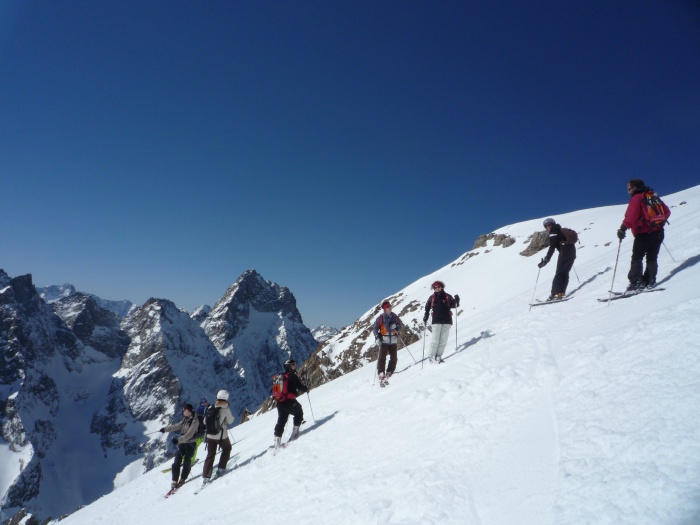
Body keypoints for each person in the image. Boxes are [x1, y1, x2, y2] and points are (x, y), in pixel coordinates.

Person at [617, 179, 670, 291]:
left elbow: (631, 216)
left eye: (629, 189)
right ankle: (649, 280)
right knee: (652, 257)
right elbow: (667, 212)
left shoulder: (637, 198)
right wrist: (658, 221)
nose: (628, 192)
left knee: (637, 257)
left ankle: (635, 283)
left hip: (644, 233)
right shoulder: (652, 196)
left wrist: (623, 228)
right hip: (659, 232)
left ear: (635, 187)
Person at [160, 403, 200, 490]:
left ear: (188, 410)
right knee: (177, 460)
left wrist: (178, 440)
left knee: (186, 461)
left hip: (190, 443)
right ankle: (174, 481)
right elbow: (177, 426)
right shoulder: (185, 420)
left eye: (184, 411)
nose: (183, 412)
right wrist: (165, 429)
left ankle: (183, 479)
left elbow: (189, 434)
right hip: (182, 443)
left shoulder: (195, 421)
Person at [538, 218, 577, 300]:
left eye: (549, 225)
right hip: (572, 252)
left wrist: (546, 260)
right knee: (565, 273)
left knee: (559, 273)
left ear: (553, 224)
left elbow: (551, 248)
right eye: (546, 226)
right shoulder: (559, 230)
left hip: (564, 252)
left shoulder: (553, 232)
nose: (548, 227)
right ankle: (561, 293)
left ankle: (555, 295)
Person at [273, 359, 309, 447]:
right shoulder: (292, 376)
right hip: (289, 401)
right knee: (299, 412)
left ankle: (277, 441)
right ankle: (295, 433)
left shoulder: (281, 376)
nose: (294, 366)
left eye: (294, 364)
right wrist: (306, 389)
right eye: (292, 364)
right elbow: (299, 386)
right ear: (289, 366)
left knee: (281, 420)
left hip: (280, 403)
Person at [202, 390, 234, 484]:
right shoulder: (225, 408)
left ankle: (206, 477)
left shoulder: (211, 407)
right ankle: (221, 469)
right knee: (227, 448)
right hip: (221, 436)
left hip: (209, 436)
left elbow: (204, 421)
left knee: (210, 455)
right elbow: (231, 420)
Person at [423, 281, 459, 363]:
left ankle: (438, 355)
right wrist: (426, 316)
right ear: (433, 289)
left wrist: (457, 300)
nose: (437, 288)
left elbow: (454, 305)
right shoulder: (432, 297)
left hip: (447, 320)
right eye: (435, 287)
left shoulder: (447, 296)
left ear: (442, 287)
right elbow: (427, 307)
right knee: (435, 339)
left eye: (438, 287)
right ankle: (431, 356)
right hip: (436, 320)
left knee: (443, 340)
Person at [372, 301, 402, 384]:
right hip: (384, 340)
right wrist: (377, 337)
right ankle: (381, 372)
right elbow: (375, 328)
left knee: (394, 358)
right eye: (389, 307)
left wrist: (397, 326)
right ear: (385, 309)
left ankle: (390, 371)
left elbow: (400, 325)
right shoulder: (381, 318)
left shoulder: (395, 317)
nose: (390, 308)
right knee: (382, 358)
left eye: (391, 307)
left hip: (393, 340)